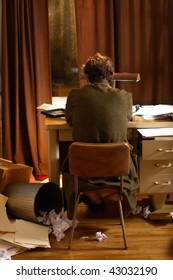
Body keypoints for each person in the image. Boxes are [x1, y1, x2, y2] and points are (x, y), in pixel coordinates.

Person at [62, 53, 139, 221]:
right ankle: (105, 194)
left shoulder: (75, 96)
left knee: (67, 162)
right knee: (131, 154)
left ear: (87, 76)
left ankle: (92, 193)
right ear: (110, 76)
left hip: (82, 173)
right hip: (116, 173)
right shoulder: (125, 97)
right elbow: (126, 117)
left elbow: (69, 120)